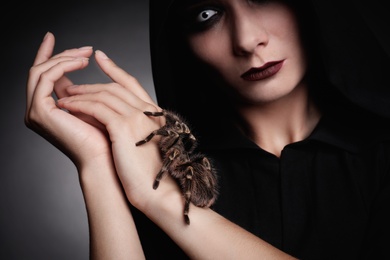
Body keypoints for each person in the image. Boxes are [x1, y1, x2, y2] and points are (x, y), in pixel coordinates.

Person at [25, 0, 390, 259]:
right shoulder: (148, 170)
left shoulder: (379, 155)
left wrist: (166, 202)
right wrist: (98, 165)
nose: (247, 40)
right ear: (179, 39)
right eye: (206, 13)